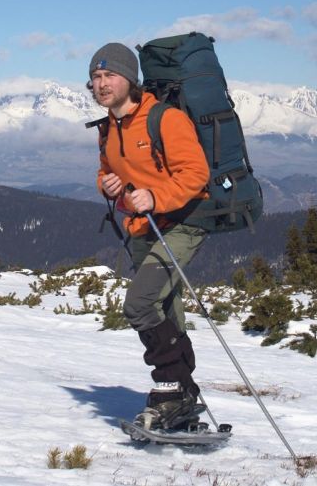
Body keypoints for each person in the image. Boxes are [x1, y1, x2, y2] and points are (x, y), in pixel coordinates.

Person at [88, 42, 210, 430]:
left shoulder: (165, 119)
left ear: (130, 79)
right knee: (165, 310)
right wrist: (107, 186)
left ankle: (169, 387)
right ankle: (184, 397)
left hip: (182, 223)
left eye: (110, 75)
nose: (102, 83)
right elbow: (106, 170)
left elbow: (195, 174)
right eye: (96, 77)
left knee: (139, 304)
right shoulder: (108, 126)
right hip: (143, 227)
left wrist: (156, 196)